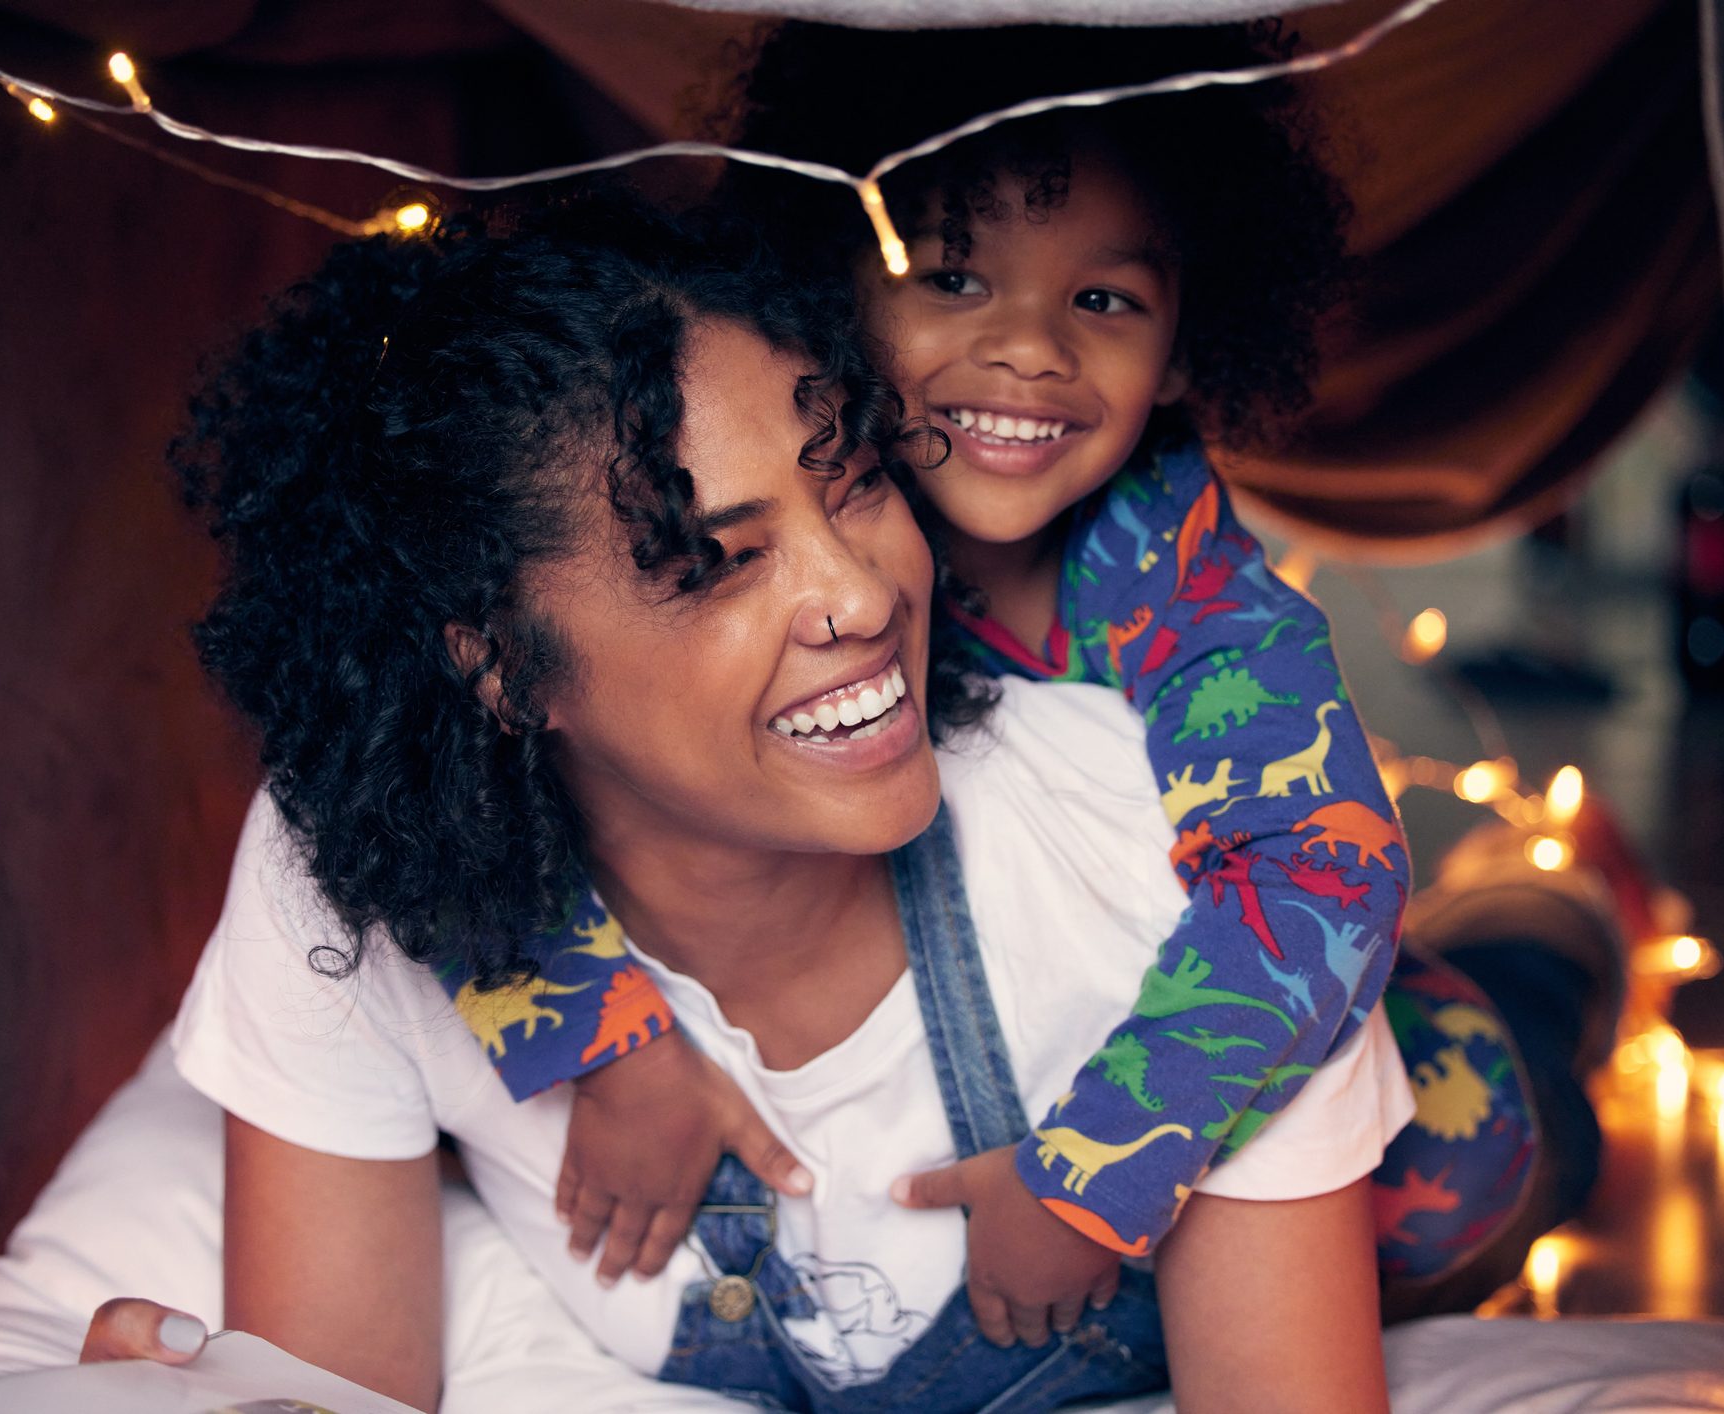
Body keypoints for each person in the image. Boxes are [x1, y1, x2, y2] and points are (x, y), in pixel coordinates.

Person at [159, 191, 1407, 1412]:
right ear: (497, 665)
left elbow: (1316, 887)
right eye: (718, 559)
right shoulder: (360, 858)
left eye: (858, 480)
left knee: (1495, 1135)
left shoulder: (1148, 847)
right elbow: (325, 1382)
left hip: (1348, 1041)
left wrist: (1094, 1173)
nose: (859, 598)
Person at [440, 21, 1539, 1328]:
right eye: (955, 278)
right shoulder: (775, 507)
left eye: (1105, 300)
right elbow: (438, 761)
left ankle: (1554, 946)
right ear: (830, 283)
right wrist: (602, 1039)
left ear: (1186, 344)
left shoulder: (1178, 571)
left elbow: (1323, 863)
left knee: (1524, 1086)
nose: (1030, 350)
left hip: (1419, 1096)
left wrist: (1090, 1177)